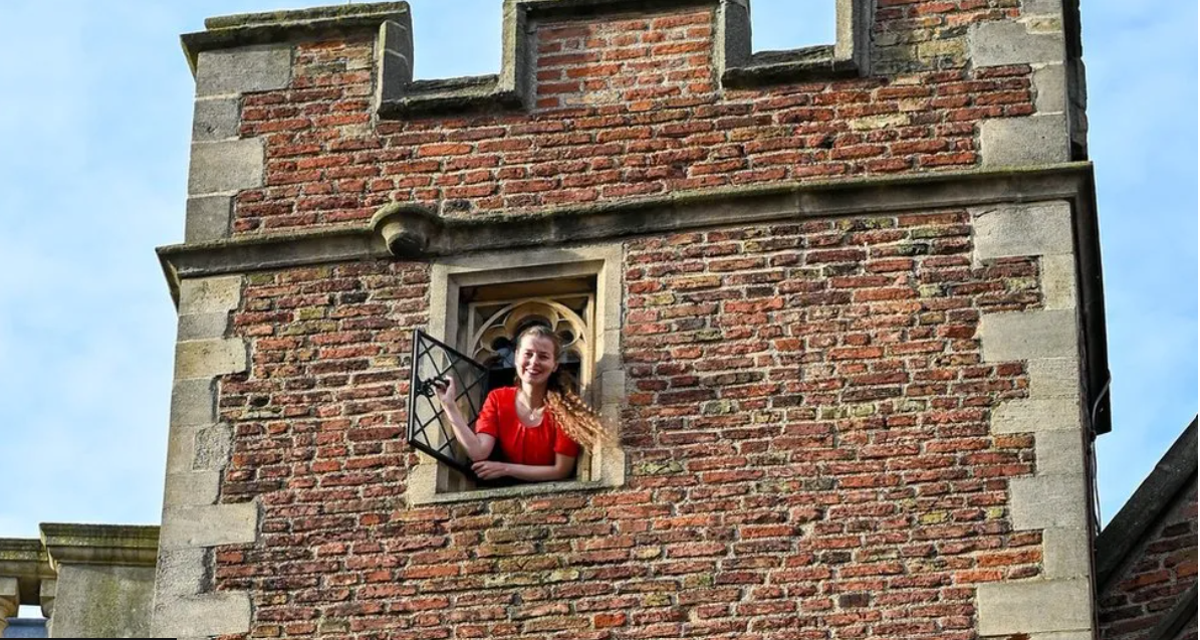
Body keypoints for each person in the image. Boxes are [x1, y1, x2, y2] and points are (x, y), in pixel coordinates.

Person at [432, 324, 608, 482]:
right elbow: (478, 452)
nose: (534, 362)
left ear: (555, 365)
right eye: (528, 354)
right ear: (516, 357)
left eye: (543, 356)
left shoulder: (563, 408)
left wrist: (505, 468)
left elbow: (561, 470)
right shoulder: (498, 398)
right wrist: (450, 406)